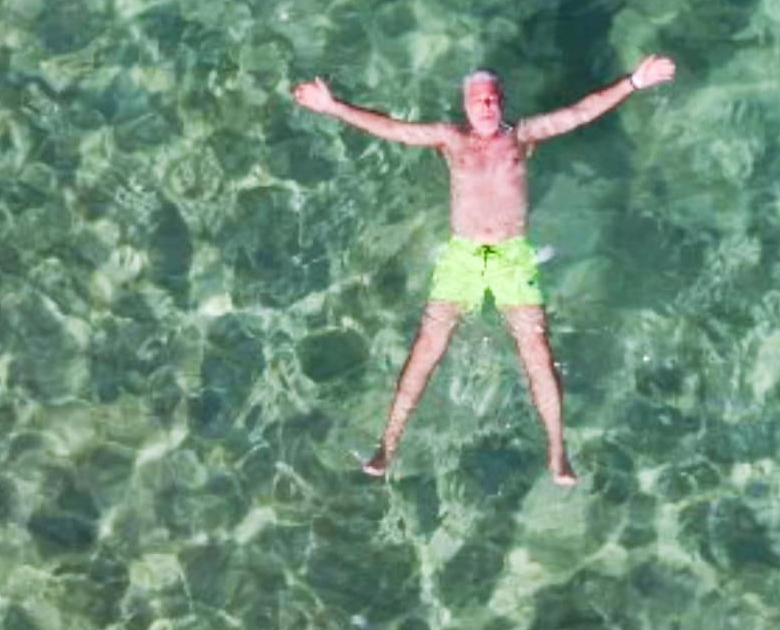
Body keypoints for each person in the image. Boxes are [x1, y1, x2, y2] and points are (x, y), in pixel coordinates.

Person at [288, 57, 677, 485]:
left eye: (492, 99)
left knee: (537, 352)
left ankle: (557, 451)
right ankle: (388, 444)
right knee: (427, 348)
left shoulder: (522, 137)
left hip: (511, 257)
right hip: (464, 257)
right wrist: (333, 107)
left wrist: (634, 81)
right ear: (466, 106)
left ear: (502, 102)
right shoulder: (450, 139)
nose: (486, 107)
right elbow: (393, 129)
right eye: (478, 101)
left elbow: (580, 112)